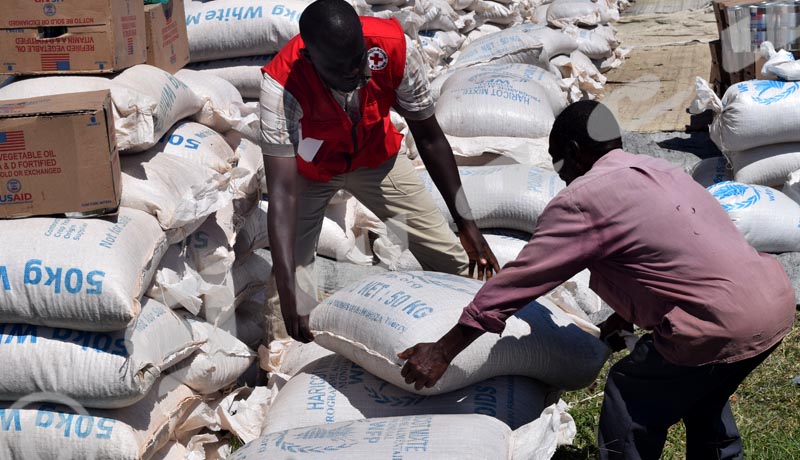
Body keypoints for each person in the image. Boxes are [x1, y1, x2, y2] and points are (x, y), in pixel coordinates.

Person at [398, 100, 795, 460]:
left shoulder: (583, 199)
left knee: (630, 393)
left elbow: (521, 280)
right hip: (773, 303)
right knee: (703, 389)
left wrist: (443, 349)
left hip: (720, 323)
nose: (561, 176)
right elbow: (673, 257)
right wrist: (626, 316)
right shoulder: (657, 169)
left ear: (573, 153)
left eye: (558, 164)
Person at [259, 0, 500, 344]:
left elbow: (430, 139)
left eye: (361, 61)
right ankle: (285, 365)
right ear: (313, 61)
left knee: (453, 258)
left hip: (377, 159)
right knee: (295, 285)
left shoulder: (392, 47)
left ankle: (474, 337)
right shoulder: (282, 85)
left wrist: (467, 223)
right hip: (310, 174)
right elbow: (282, 192)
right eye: (346, 72)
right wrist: (289, 290)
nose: (361, 76)